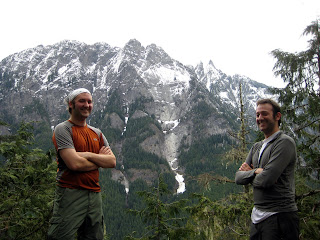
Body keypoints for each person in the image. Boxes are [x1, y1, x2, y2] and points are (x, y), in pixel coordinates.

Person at [48, 88, 116, 240]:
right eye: (82, 101)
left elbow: (112, 161)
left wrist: (86, 155)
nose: (87, 105)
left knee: (94, 237)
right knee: (60, 236)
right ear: (71, 105)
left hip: (94, 193)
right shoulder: (63, 129)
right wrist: (99, 160)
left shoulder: (97, 133)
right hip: (70, 192)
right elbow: (74, 164)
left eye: (90, 101)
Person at [235, 99, 299, 240]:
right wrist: (256, 172)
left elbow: (267, 180)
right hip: (257, 218)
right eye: (257, 115)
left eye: (264, 114)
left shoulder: (284, 143)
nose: (260, 118)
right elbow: (238, 178)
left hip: (280, 217)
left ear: (277, 116)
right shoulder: (256, 147)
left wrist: (250, 173)